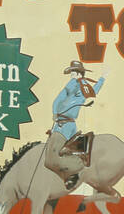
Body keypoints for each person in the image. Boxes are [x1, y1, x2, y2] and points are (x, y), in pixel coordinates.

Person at [45, 61, 106, 190]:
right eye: (71, 73)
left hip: (64, 125)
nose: (71, 75)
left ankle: (73, 172)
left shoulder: (73, 85)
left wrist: (55, 112)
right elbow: (93, 91)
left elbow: (58, 100)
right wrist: (102, 79)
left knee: (50, 161)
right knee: (58, 157)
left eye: (73, 73)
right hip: (68, 125)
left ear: (78, 74)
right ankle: (69, 175)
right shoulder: (83, 86)